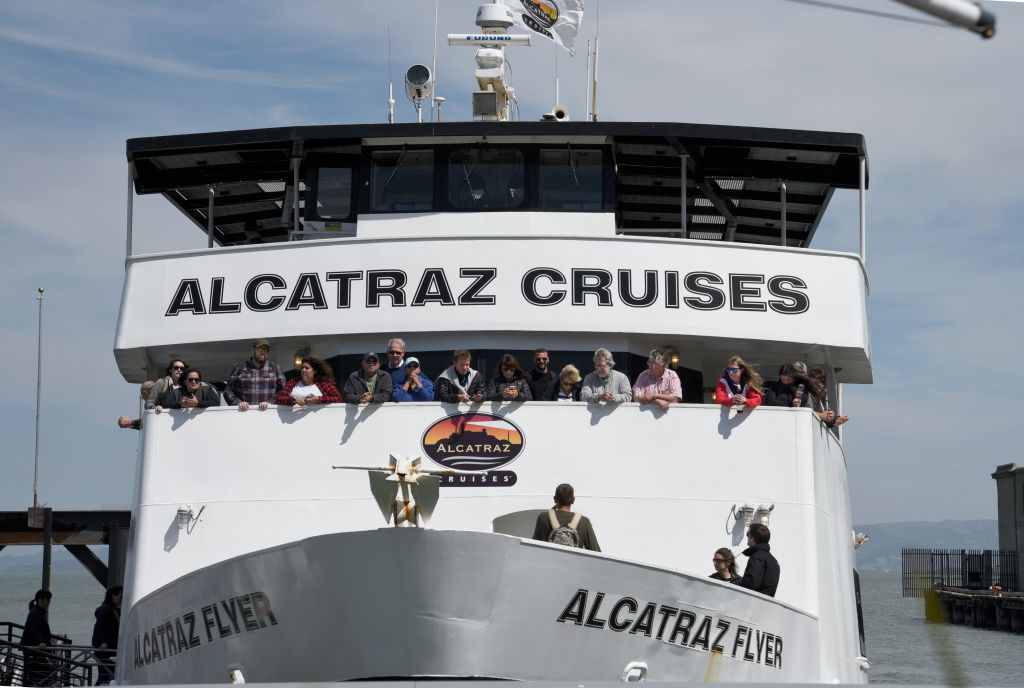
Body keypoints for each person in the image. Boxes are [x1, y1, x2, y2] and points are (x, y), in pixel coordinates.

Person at [531, 483, 600, 552]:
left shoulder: (543, 517)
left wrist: (550, 514)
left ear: (555, 499)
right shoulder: (584, 521)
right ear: (573, 500)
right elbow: (596, 552)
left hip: (548, 558)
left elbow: (533, 547)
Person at [224, 339, 285, 411]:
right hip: (244, 414)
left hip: (269, 414)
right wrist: (238, 403)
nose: (263, 352)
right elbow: (228, 391)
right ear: (253, 350)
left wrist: (271, 403)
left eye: (266, 350)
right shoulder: (239, 368)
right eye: (260, 349)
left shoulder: (276, 368)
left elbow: (284, 390)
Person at [734, 523, 780, 596]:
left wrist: (734, 582)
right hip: (764, 602)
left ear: (752, 537)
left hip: (752, 601)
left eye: (748, 534)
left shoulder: (757, 557)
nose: (747, 537)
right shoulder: (773, 560)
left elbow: (750, 584)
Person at [276, 356, 341, 406]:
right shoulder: (293, 382)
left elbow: (338, 398)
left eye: (307, 368)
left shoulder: (324, 383)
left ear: (314, 371)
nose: (303, 370)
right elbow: (279, 398)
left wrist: (318, 399)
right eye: (302, 368)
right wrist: (294, 400)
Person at [21, 589, 53, 688]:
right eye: (47, 599)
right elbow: (34, 629)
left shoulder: (37, 612)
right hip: (33, 650)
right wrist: (41, 642)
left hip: (34, 650)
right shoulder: (35, 613)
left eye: (49, 600)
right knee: (44, 671)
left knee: (41, 672)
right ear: (41, 600)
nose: (49, 602)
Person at [91, 585, 122, 685]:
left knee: (107, 675)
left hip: (110, 650)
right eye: (120, 597)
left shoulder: (114, 610)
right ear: (113, 595)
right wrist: (102, 641)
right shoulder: (106, 610)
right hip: (105, 651)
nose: (121, 600)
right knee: (106, 675)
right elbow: (99, 627)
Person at [156, 367, 220, 410]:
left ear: (200, 381)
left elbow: (215, 403)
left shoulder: (207, 390)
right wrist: (180, 404)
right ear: (185, 381)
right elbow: (163, 404)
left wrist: (197, 403)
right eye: (190, 379)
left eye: (196, 379)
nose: (193, 381)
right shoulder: (176, 392)